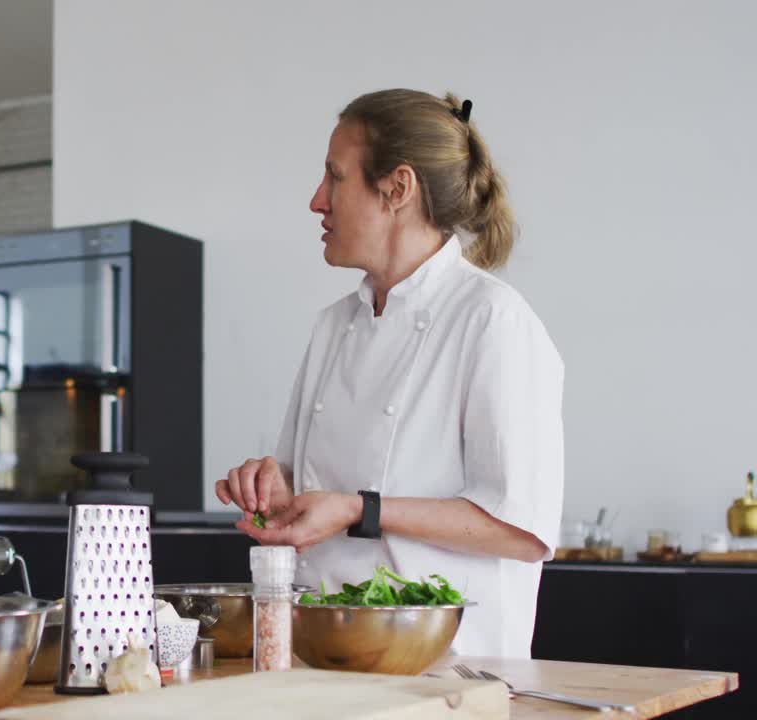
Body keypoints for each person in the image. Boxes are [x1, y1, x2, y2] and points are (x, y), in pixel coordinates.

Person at [220, 89, 564, 658]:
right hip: (324, 659)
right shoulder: (334, 325)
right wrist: (273, 486)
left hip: (453, 676)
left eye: (335, 178)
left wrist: (361, 509)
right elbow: (305, 486)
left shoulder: (493, 321)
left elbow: (522, 531)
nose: (316, 201)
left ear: (397, 189)